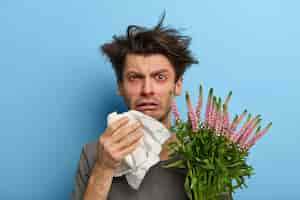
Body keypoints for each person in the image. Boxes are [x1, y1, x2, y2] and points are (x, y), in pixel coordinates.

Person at [71, 14, 232, 200]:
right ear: (120, 87)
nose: (147, 90)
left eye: (160, 77)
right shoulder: (93, 155)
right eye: (134, 78)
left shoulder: (208, 157)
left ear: (177, 85)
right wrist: (104, 168)